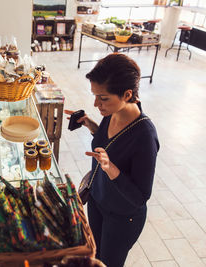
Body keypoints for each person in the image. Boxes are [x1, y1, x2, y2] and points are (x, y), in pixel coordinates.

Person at [64, 53, 159, 267]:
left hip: (123, 217)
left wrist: (111, 168)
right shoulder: (111, 112)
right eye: (95, 95)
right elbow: (110, 144)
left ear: (127, 94)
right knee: (94, 257)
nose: (96, 103)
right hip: (97, 200)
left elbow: (140, 196)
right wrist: (90, 124)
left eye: (103, 97)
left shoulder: (145, 135)